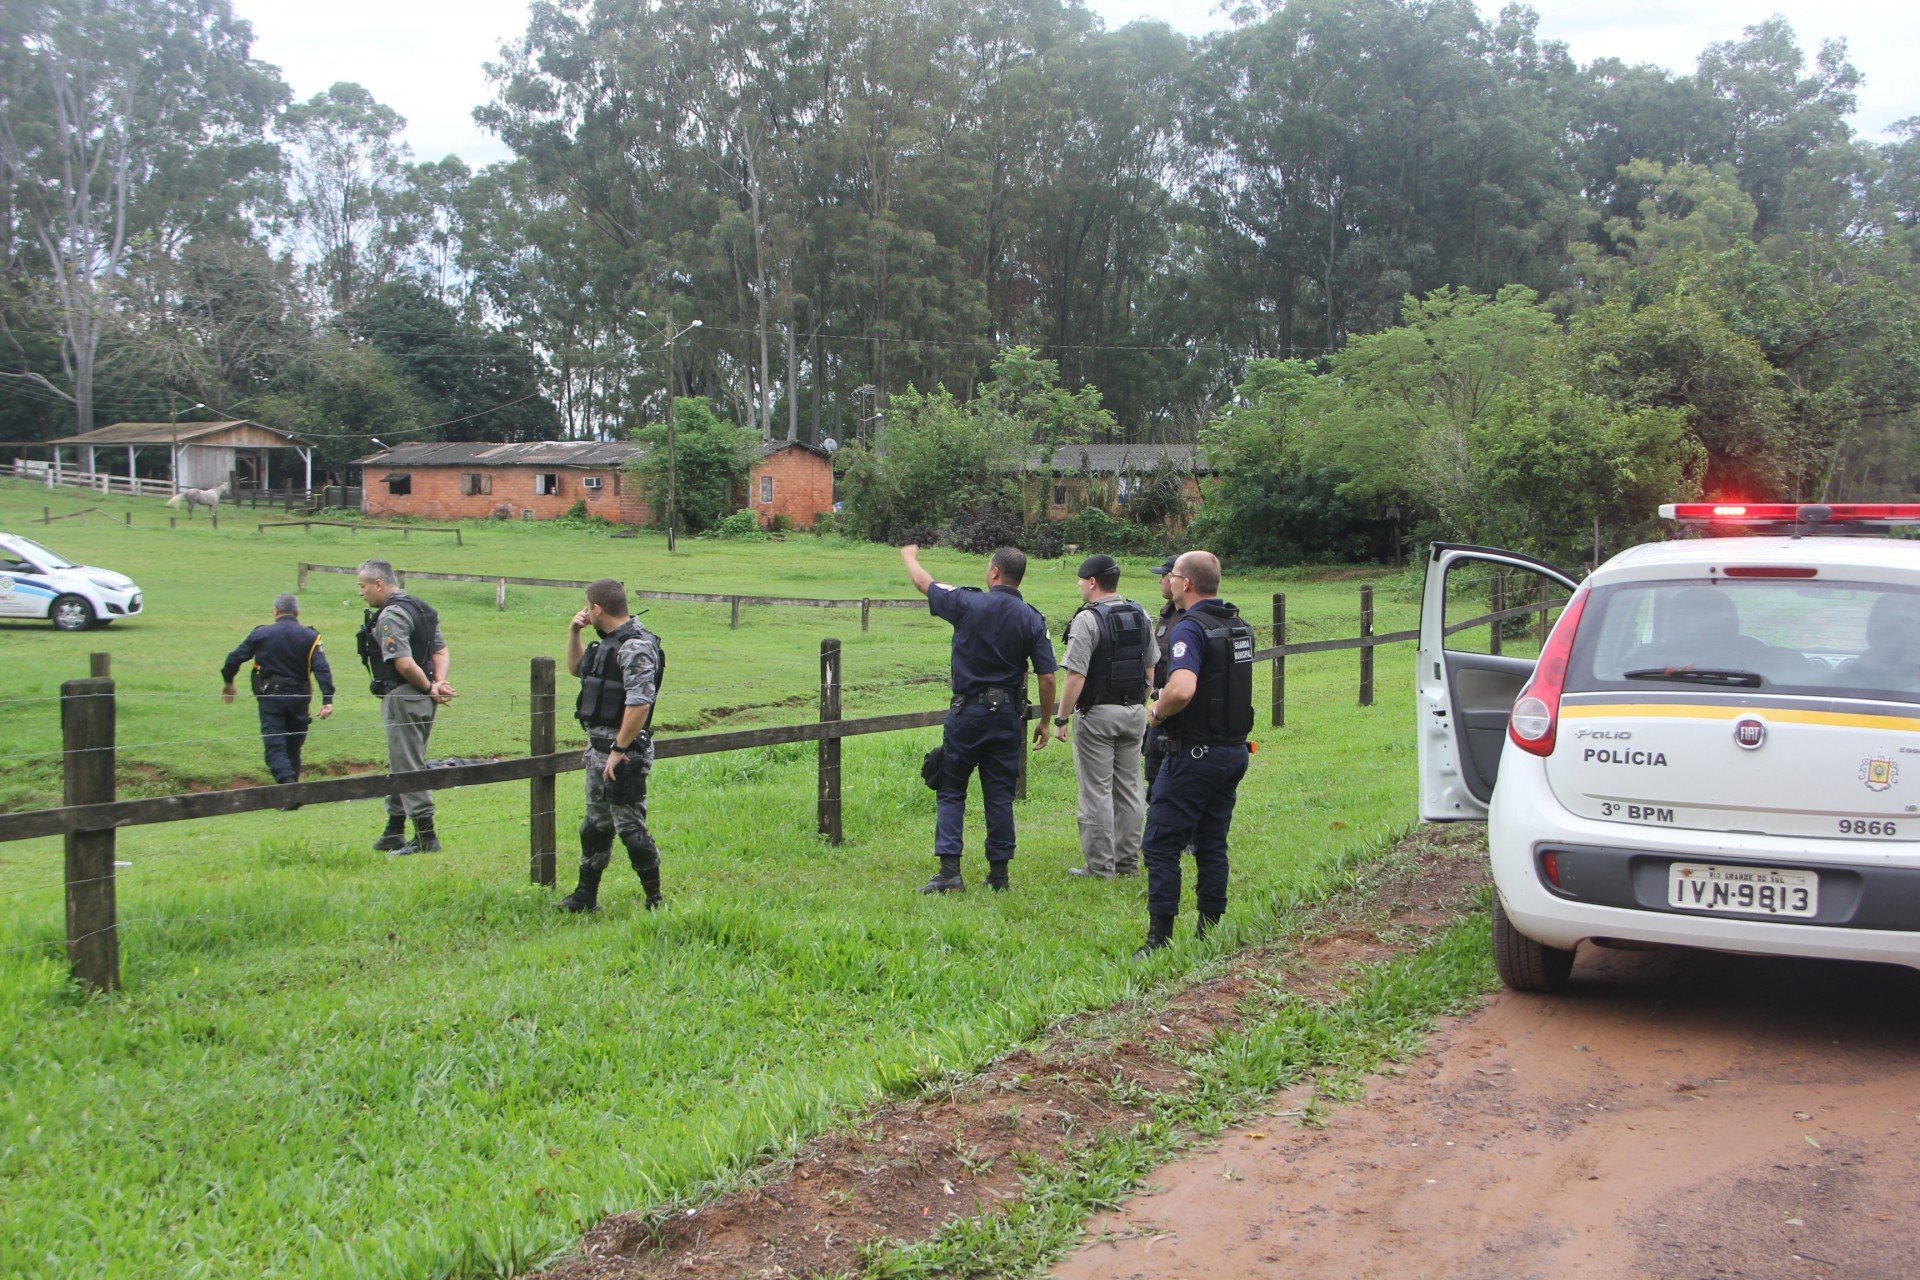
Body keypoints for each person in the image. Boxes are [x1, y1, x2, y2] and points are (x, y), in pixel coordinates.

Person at [902, 543, 1057, 893]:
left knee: (952, 788)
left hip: (967, 713)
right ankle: (999, 876)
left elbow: (926, 584)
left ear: (995, 572)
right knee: (1000, 794)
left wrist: (910, 558)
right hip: (1007, 718)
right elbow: (1047, 677)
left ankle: (949, 872)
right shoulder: (1032, 617)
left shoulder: (967, 602)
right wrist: (1044, 722)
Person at [1137, 551, 1256, 956]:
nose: (1167, 581)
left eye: (1171, 575)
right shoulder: (1238, 625)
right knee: (1211, 841)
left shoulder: (1189, 629)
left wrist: (1156, 712)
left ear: (1185, 583)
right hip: (1233, 752)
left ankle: (1159, 939)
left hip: (1194, 755)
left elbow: (1183, 689)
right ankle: (1210, 929)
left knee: (1160, 843)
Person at [559, 578, 666, 912]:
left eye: (586, 606)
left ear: (596, 608)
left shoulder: (635, 646)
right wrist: (574, 632)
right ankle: (584, 897)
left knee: (630, 827)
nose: (585, 612)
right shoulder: (606, 643)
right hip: (598, 749)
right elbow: (577, 669)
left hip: (624, 753)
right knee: (595, 826)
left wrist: (619, 750)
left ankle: (655, 900)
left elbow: (639, 704)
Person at [1052, 554, 1156, 878]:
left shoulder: (1087, 619)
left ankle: (1100, 866)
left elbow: (1075, 676)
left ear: (1093, 582)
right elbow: (1150, 666)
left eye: (1081, 580)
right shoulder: (1141, 613)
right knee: (1129, 789)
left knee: (1096, 791)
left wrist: (1061, 718)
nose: (1080, 586)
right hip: (1134, 712)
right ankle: (1127, 863)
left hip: (1097, 715)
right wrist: (1139, 702)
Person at [354, 559, 454, 856]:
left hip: (404, 696)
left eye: (362, 586)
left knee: (408, 765)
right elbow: (441, 650)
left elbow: (404, 663)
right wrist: (438, 683)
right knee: (404, 759)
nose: (361, 593)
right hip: (422, 697)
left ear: (379, 584)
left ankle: (426, 836)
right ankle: (394, 830)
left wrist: (428, 686)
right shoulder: (420, 607)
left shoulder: (392, 615)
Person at [220, 593, 335, 800]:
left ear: (275, 612)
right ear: (297, 613)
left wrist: (229, 682)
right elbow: (322, 669)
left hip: (271, 695)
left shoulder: (261, 634)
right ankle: (292, 793)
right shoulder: (310, 637)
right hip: (300, 697)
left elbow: (233, 659)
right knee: (293, 746)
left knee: (275, 746)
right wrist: (328, 699)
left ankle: (288, 787)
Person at [1144, 554, 1186, 795]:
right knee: (1154, 778)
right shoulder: (1168, 612)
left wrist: (1160, 711)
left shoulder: (1188, 618)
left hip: (1174, 709)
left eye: (1163, 575)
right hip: (1160, 708)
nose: (1160, 581)